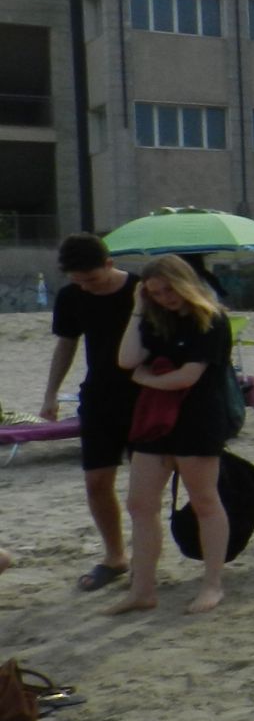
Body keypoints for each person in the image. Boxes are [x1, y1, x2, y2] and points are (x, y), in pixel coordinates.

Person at [101, 255, 236, 616]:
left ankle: (212, 584)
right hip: (155, 421)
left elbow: (187, 377)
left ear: (183, 282)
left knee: (204, 501)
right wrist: (138, 309)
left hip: (198, 419)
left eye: (168, 289)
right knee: (140, 504)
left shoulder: (210, 319)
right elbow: (127, 359)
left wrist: (147, 380)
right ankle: (142, 588)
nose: (165, 298)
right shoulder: (155, 317)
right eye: (155, 293)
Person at [41, 233, 139, 593]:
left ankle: (145, 561)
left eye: (92, 279)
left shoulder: (141, 290)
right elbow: (66, 345)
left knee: (144, 489)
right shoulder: (71, 296)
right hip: (99, 398)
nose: (85, 287)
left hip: (146, 397)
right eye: (78, 280)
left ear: (109, 265)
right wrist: (51, 394)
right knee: (96, 483)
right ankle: (115, 556)